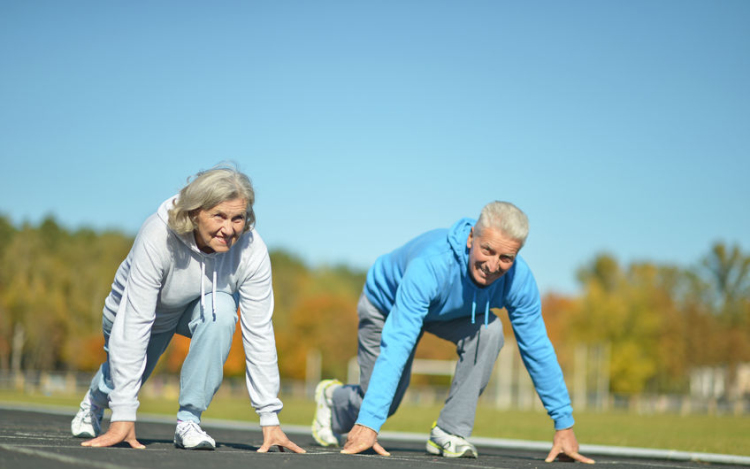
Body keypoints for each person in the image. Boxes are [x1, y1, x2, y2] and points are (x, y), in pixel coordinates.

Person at [311, 201, 594, 463]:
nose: (493, 266)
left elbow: (537, 348)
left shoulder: (518, 281)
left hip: (444, 312)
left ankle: (449, 432)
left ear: (517, 254)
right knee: (385, 400)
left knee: (491, 329)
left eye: (506, 257)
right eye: (487, 250)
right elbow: (398, 342)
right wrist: (370, 422)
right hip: (385, 305)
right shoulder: (432, 264)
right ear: (472, 238)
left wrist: (564, 424)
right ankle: (333, 398)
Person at [70, 164, 304, 453]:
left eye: (238, 218)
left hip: (191, 310)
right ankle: (95, 400)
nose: (228, 229)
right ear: (195, 212)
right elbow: (134, 324)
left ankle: (188, 422)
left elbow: (259, 333)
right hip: (135, 313)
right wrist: (123, 416)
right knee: (124, 374)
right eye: (219, 215)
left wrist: (270, 418)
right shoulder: (158, 235)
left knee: (223, 308)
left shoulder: (252, 250)